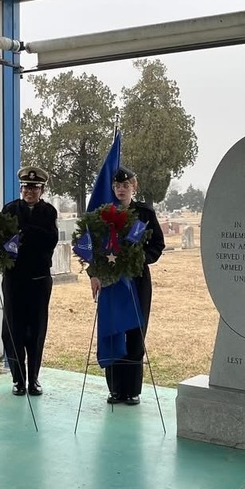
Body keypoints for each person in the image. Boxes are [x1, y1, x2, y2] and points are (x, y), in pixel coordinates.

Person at [90, 166, 166, 406]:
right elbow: (93, 246)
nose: (121, 189)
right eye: (117, 186)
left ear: (134, 187)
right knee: (114, 332)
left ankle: (131, 390)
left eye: (126, 185)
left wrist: (140, 258)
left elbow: (157, 245)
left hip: (136, 281)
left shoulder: (144, 214)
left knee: (134, 333)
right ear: (113, 188)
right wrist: (94, 273)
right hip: (112, 282)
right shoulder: (105, 214)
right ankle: (115, 389)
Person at [0, 166, 58, 396]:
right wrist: (29, 235)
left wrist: (25, 233)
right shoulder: (10, 209)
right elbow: (3, 239)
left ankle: (33, 378)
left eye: (34, 188)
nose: (29, 192)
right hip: (15, 278)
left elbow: (49, 240)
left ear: (42, 190)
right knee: (13, 329)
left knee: (36, 330)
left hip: (39, 278)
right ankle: (18, 379)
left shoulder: (49, 212)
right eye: (25, 187)